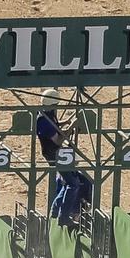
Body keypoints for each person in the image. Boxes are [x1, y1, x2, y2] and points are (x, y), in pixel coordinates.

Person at [37, 89, 91, 225]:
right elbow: (58, 140)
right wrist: (71, 126)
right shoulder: (44, 120)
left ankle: (56, 214)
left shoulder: (47, 113)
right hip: (54, 155)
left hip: (58, 154)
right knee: (73, 184)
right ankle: (63, 218)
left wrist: (66, 121)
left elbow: (55, 126)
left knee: (71, 182)